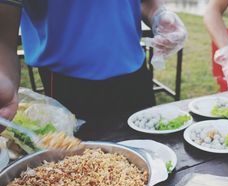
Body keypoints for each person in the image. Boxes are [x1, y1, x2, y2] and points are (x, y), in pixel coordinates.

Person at [0, 1, 186, 122]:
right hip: (67, 86)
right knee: (82, 174)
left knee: (151, 160)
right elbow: (3, 37)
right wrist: (4, 80)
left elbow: (145, 3)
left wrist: (159, 14)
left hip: (136, 76)